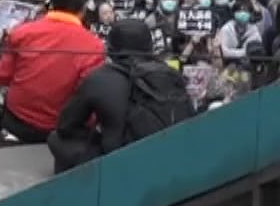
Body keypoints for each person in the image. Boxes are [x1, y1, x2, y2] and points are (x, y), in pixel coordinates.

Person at [0, 0, 105, 148]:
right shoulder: (94, 46)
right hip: (61, 132)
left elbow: (1, 78)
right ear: (84, 7)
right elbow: (87, 101)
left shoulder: (21, 33)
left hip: (18, 124)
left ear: (51, 1)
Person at [47, 18, 192, 172]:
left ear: (109, 48)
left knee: (57, 139)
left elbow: (65, 126)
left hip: (121, 165)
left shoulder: (99, 78)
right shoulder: (172, 74)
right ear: (150, 47)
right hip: (173, 162)